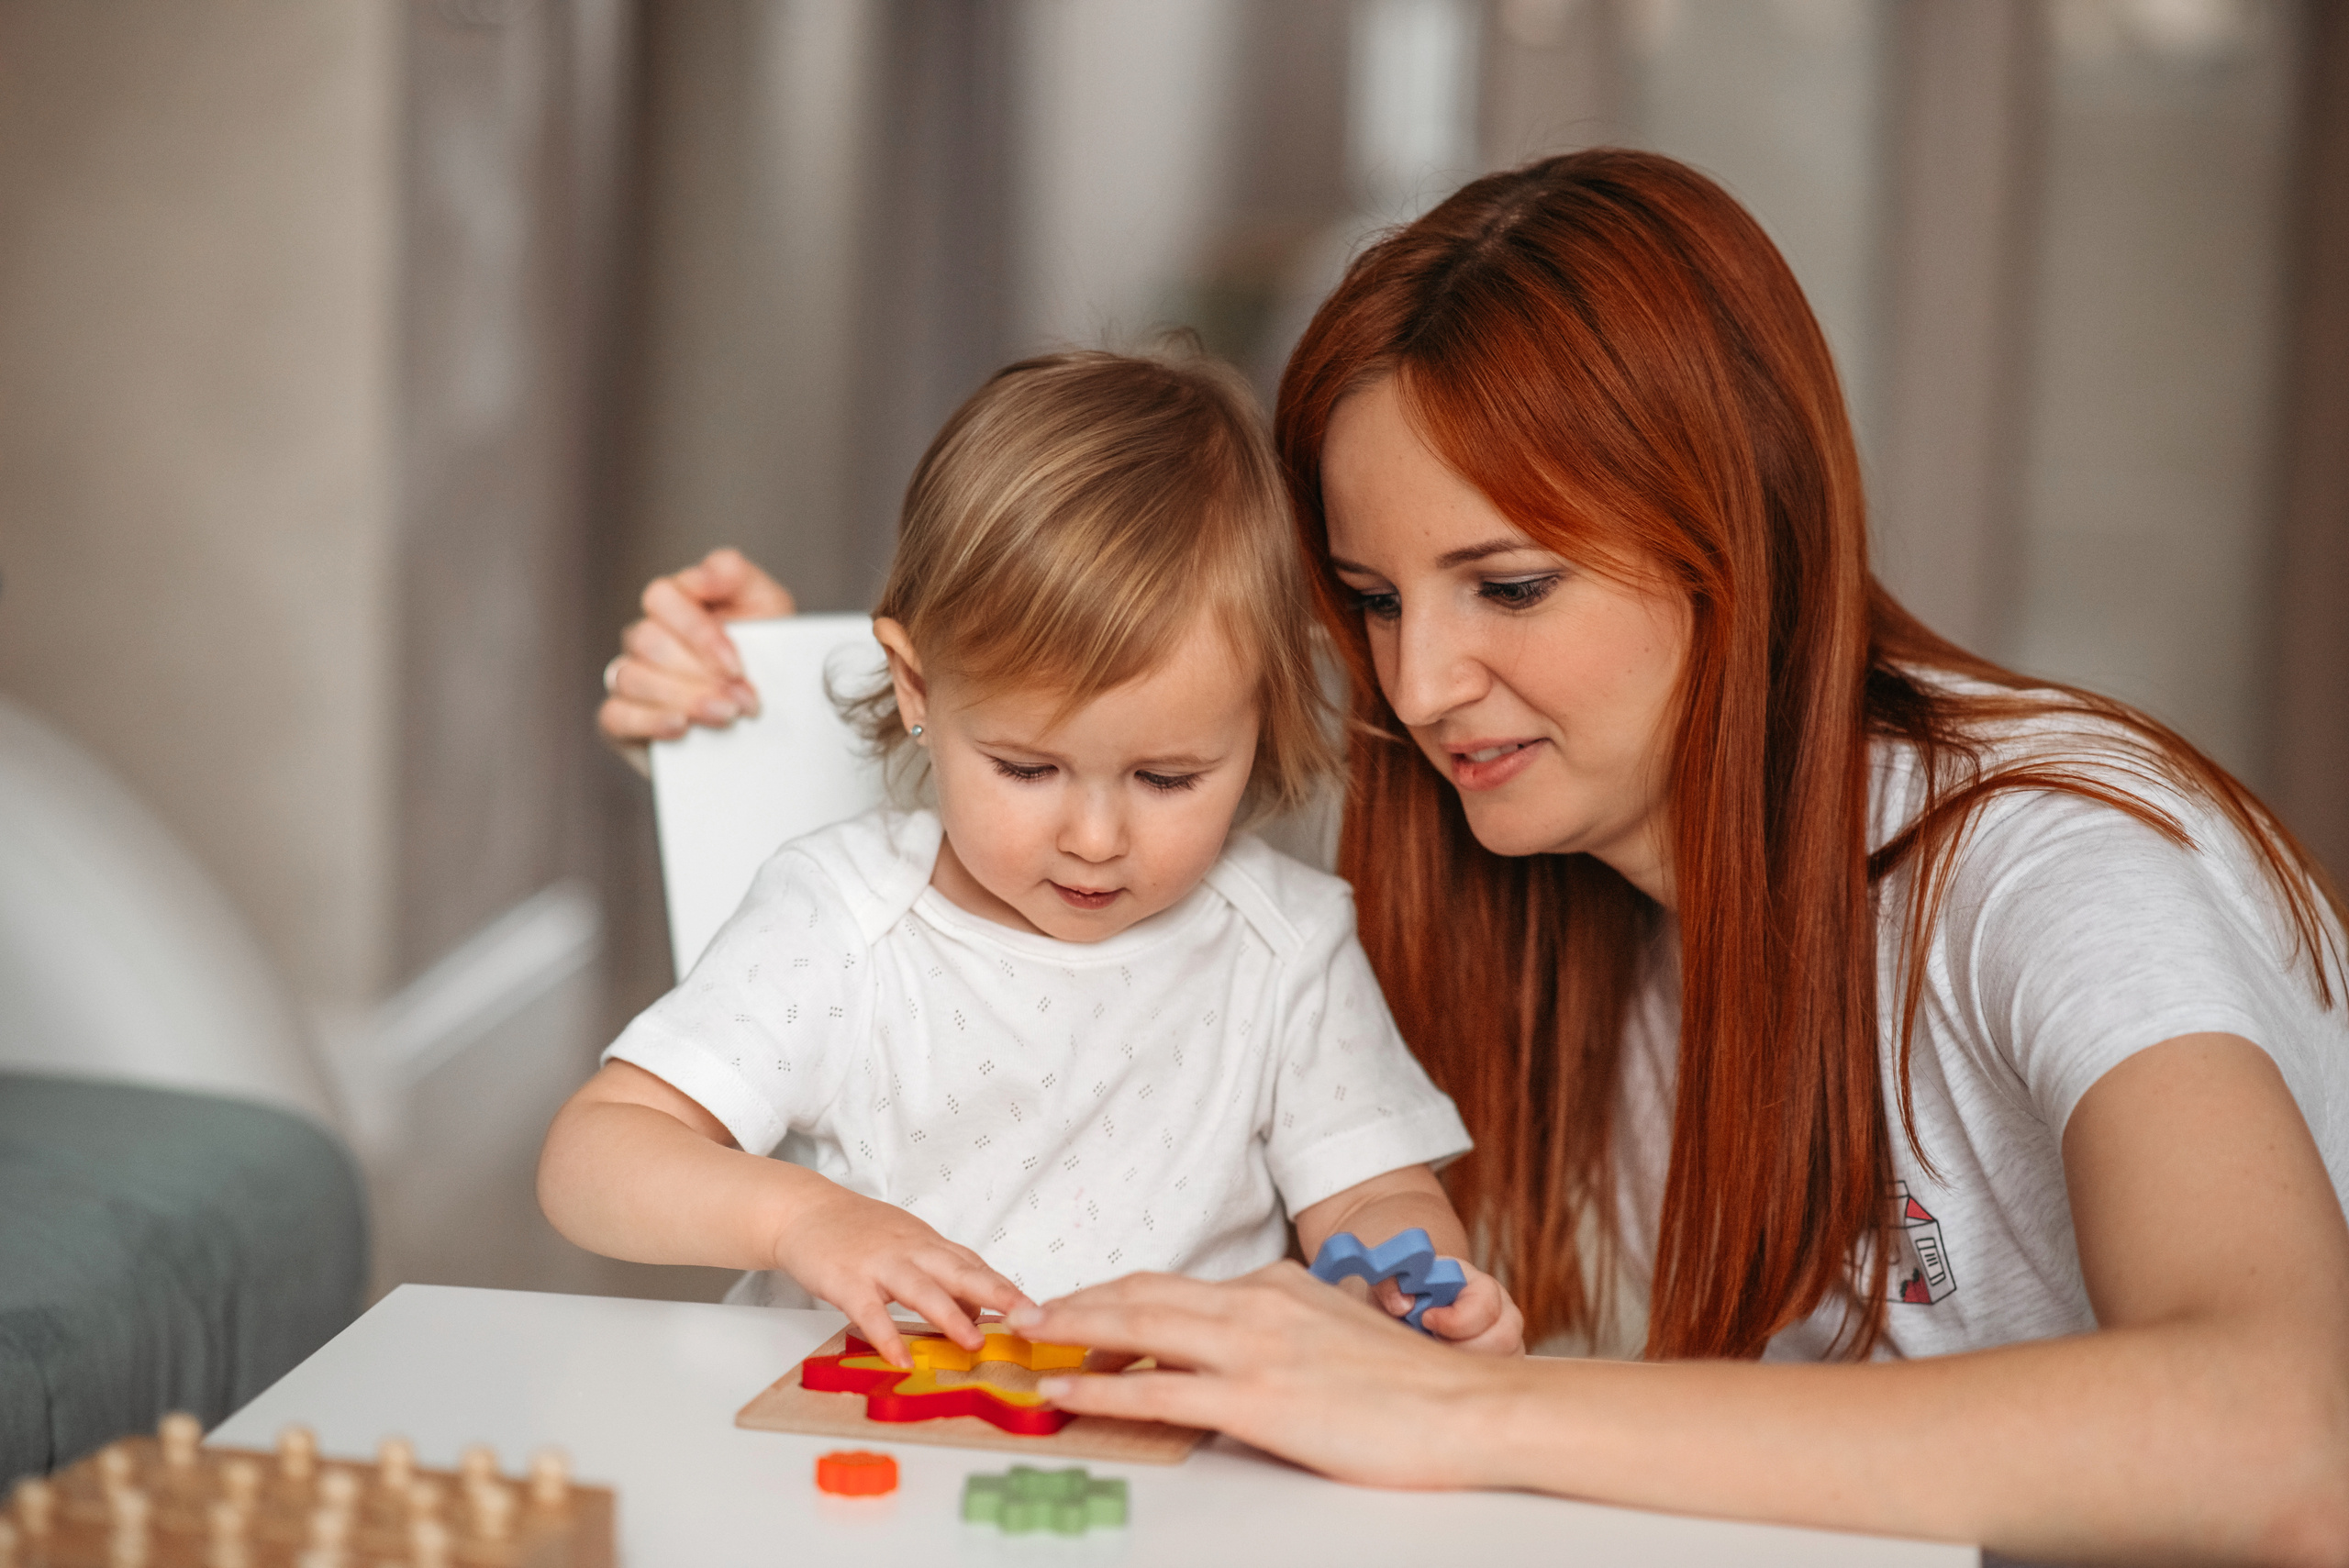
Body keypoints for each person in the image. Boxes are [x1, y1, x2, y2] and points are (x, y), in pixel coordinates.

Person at [595, 153, 2349, 1561]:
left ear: (1728, 535)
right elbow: (1084, 720)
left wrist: (1456, 1412)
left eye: (1510, 584)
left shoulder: (2055, 862)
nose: (1421, 686)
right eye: (1369, 596)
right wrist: (765, 696)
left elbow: (2294, 1444)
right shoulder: (1534, 847)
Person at [543, 348, 1520, 1370]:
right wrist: (800, 1219)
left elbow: (1368, 1190)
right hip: (861, 1471)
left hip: (1171, 1479)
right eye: (1026, 766)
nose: (1094, 839)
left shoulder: (1283, 944)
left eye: (1166, 778)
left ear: (1260, 720)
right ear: (916, 684)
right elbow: (595, 1152)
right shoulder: (841, 920)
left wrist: (1403, 1285)